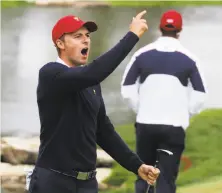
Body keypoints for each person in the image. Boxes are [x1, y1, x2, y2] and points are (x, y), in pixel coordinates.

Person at [28, 11, 160, 193]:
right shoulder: (51, 74)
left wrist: (136, 165)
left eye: (87, 36)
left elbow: (104, 131)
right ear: (60, 44)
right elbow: (94, 72)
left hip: (87, 184)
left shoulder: (92, 84)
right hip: (54, 182)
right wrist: (132, 36)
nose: (86, 40)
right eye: (77, 36)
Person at [121, 10, 207, 193]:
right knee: (166, 179)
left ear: (160, 28)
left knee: (144, 177)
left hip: (146, 125)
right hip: (174, 127)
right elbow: (200, 95)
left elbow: (127, 91)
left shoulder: (141, 55)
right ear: (180, 30)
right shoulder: (190, 59)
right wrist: (185, 114)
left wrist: (142, 109)